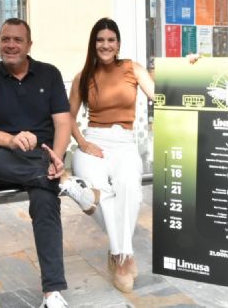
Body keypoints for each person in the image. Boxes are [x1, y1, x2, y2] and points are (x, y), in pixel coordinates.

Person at [0, 18, 98, 308]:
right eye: (5, 39)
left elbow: (63, 123)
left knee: (45, 201)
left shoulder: (48, 75)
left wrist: (57, 159)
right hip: (2, 163)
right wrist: (9, 140)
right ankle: (62, 182)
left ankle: (52, 294)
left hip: (43, 159)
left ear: (29, 45)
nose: (10, 45)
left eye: (17, 40)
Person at [68, 17, 154, 294]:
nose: (105, 45)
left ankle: (119, 253)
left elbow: (160, 96)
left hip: (124, 142)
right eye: (100, 40)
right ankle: (123, 258)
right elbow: (68, 117)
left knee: (130, 188)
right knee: (100, 193)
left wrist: (190, 67)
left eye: (111, 40)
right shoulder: (84, 76)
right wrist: (81, 142)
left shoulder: (132, 68)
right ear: (93, 44)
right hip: (93, 142)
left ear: (118, 44)